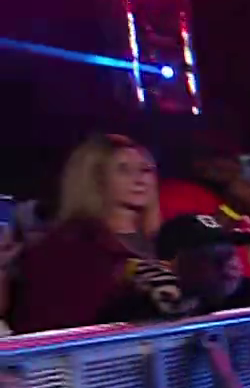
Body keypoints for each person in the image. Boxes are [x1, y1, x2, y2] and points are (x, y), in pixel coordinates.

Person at [9, 135, 180, 334]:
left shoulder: (169, 241)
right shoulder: (66, 248)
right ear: (96, 179)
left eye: (145, 170)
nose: (139, 179)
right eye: (123, 170)